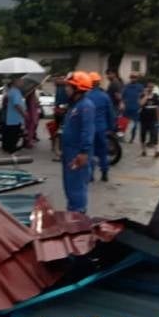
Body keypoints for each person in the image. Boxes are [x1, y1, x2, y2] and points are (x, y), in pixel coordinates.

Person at [60, 71, 95, 212]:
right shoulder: (75, 105)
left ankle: (78, 214)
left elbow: (87, 131)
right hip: (69, 151)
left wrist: (83, 152)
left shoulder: (86, 106)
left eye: (69, 86)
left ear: (78, 89)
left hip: (77, 152)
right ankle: (73, 211)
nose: (66, 88)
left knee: (76, 186)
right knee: (69, 185)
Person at [85, 72, 115, 181]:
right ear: (98, 83)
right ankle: (104, 173)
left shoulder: (86, 96)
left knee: (90, 152)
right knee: (103, 151)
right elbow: (110, 114)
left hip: (89, 129)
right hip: (102, 129)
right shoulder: (105, 96)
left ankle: (90, 175)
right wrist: (111, 128)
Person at [139, 81, 159, 158]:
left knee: (155, 134)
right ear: (146, 87)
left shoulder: (155, 96)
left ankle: (156, 152)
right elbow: (140, 104)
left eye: (152, 87)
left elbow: (158, 108)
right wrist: (146, 96)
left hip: (153, 119)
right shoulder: (142, 95)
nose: (150, 88)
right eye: (149, 87)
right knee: (143, 135)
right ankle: (143, 151)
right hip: (144, 119)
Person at [2, 76, 27, 153]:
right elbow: (17, 104)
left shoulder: (11, 91)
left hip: (11, 117)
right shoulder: (15, 91)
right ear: (15, 82)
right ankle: (11, 149)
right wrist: (23, 113)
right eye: (21, 81)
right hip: (15, 117)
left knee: (9, 133)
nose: (22, 83)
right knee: (13, 135)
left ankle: (6, 148)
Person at [49, 75, 69, 160]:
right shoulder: (58, 88)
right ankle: (57, 149)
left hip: (63, 113)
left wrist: (63, 108)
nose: (56, 80)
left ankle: (60, 152)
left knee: (61, 132)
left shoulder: (66, 88)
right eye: (56, 79)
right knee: (57, 131)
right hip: (58, 113)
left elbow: (66, 102)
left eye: (60, 78)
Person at [121, 73, 144, 143]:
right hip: (127, 108)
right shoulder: (126, 86)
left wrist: (141, 106)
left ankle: (132, 138)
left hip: (136, 108)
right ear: (130, 78)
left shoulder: (140, 87)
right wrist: (122, 104)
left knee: (135, 124)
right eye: (132, 77)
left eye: (135, 77)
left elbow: (142, 97)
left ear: (137, 78)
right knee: (124, 124)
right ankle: (122, 137)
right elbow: (122, 96)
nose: (133, 79)